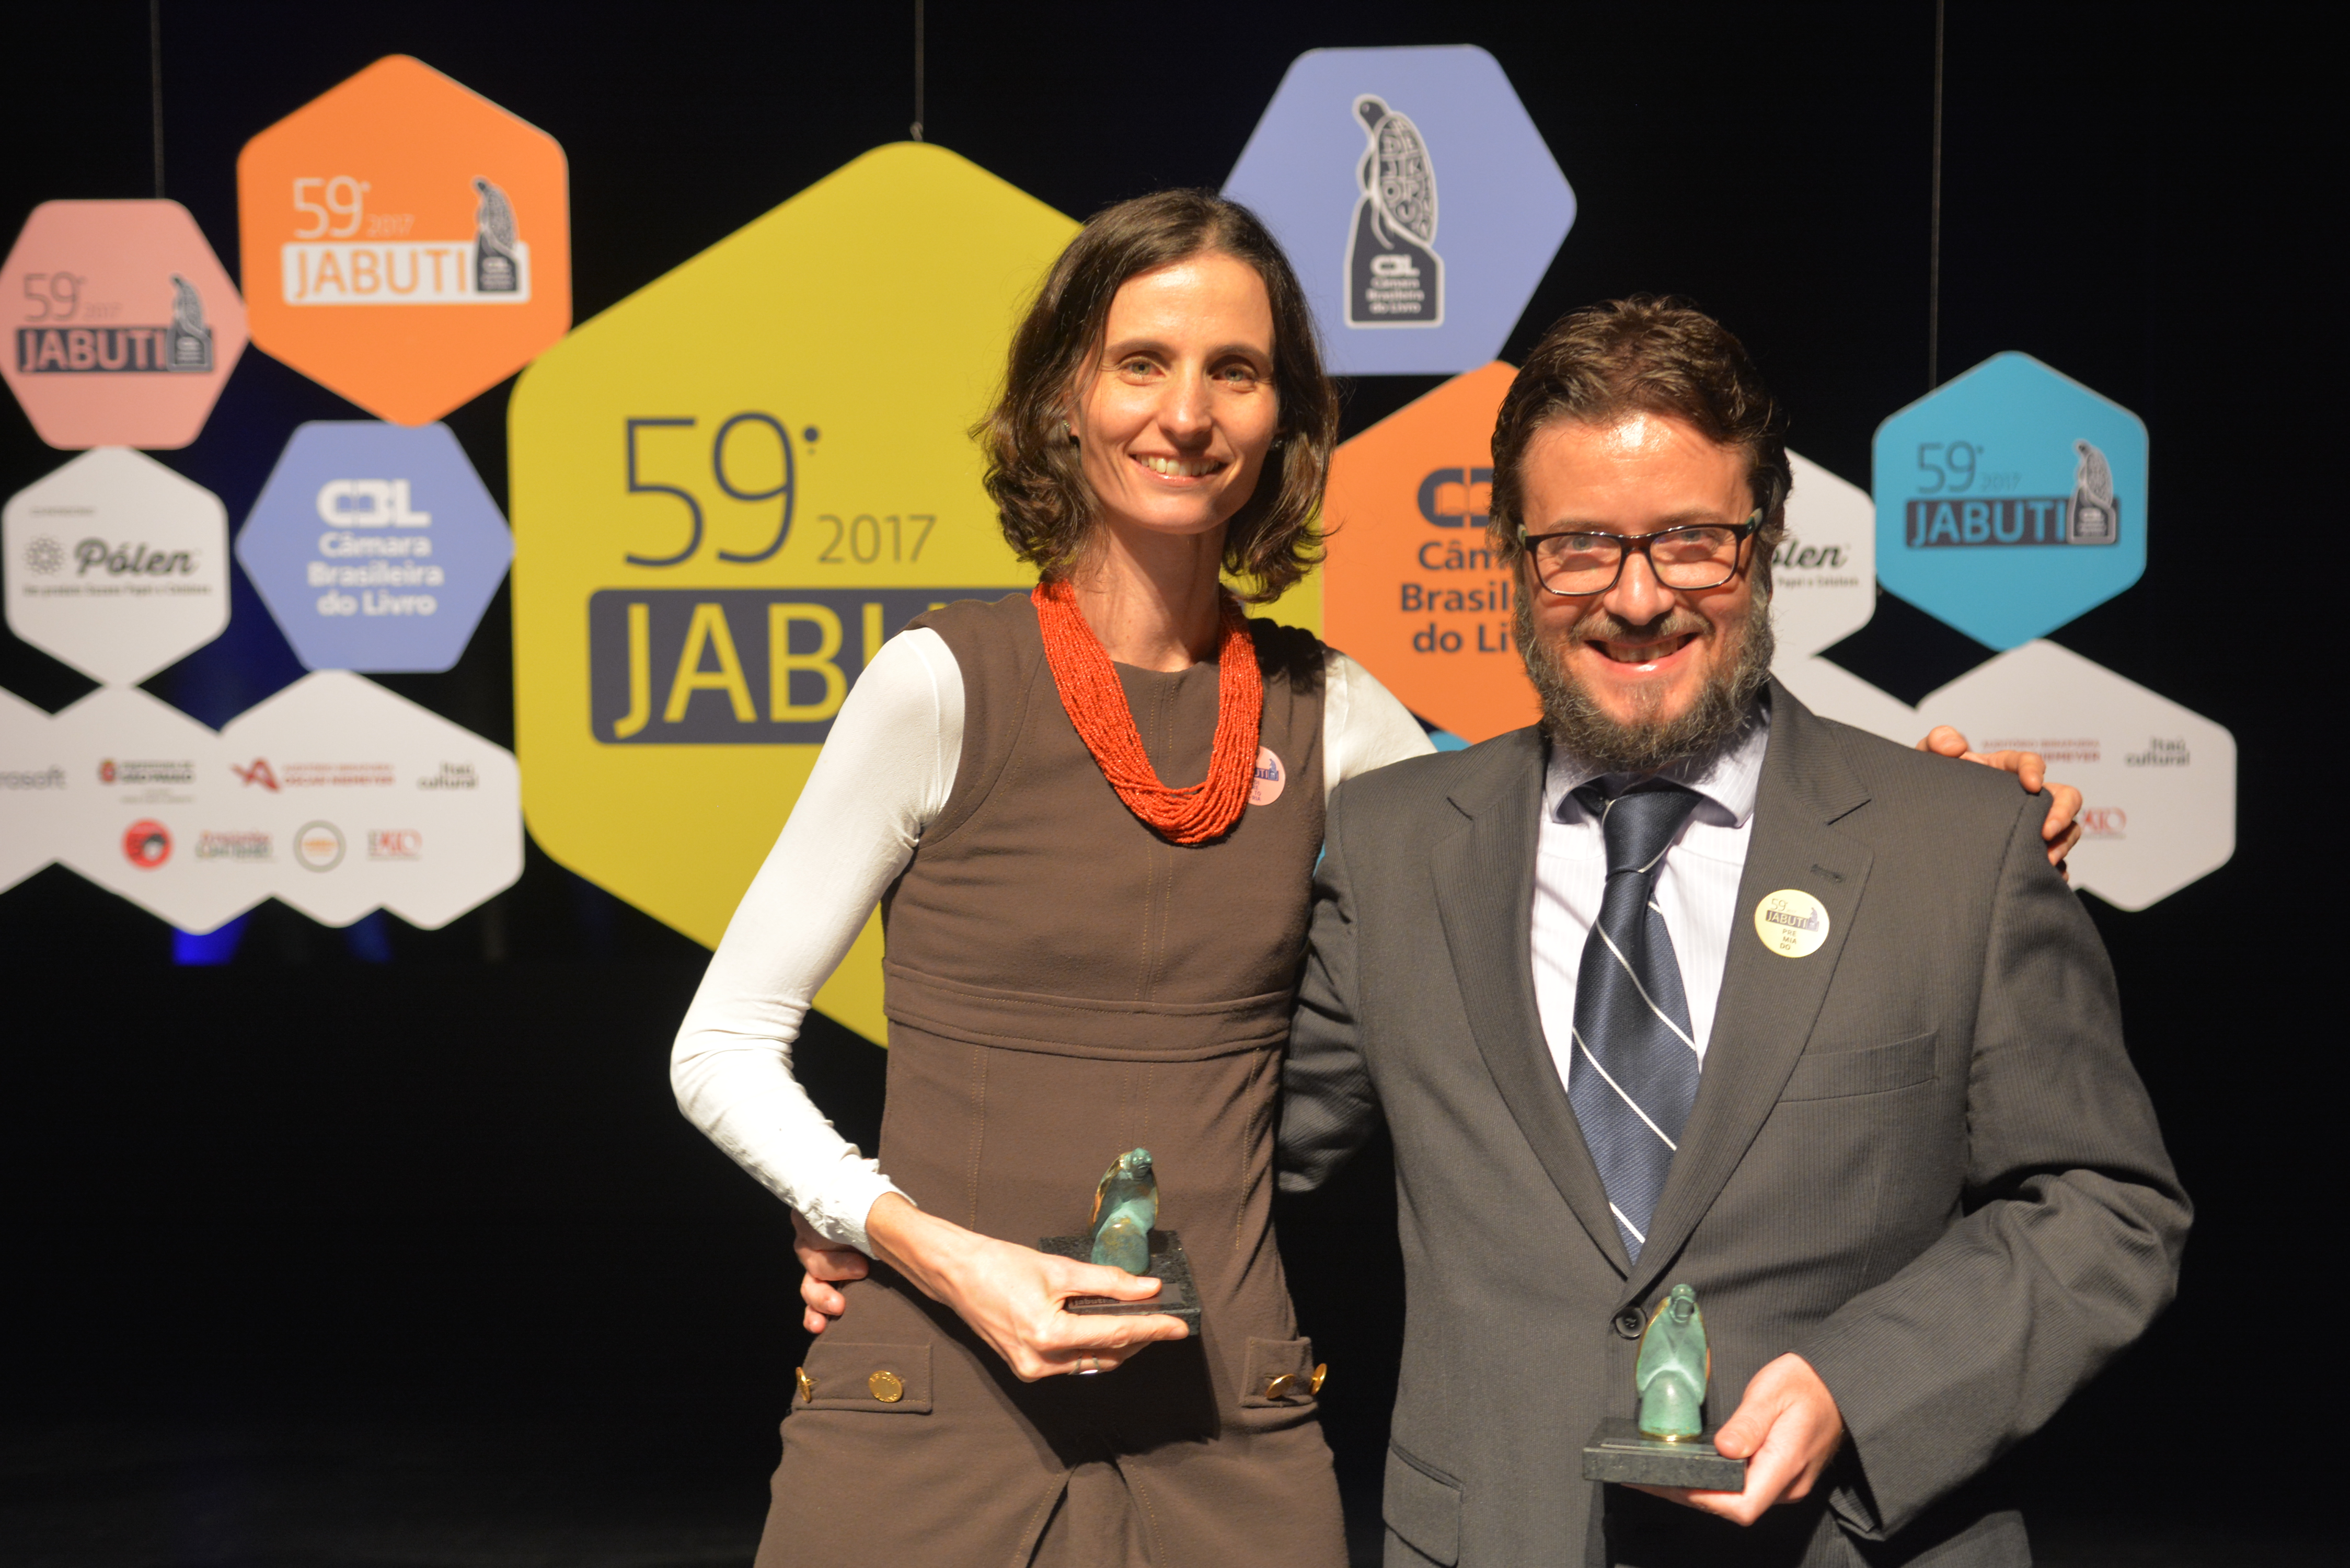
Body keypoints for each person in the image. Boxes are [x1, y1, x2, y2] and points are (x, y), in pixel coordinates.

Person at [1276, 297, 2189, 1568]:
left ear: (1764, 547)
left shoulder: (1956, 841)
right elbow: (1247, 1150)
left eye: (1691, 542)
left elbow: (2105, 1209)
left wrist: (1858, 1387)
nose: (1636, 597)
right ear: (1512, 557)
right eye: (1579, 545)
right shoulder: (1394, 843)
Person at [671, 190, 1432, 1567]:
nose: (1186, 413)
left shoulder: (1344, 715)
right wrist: (889, 1232)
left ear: (1284, 422)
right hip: (927, 1402)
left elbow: (1518, 961)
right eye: (1142, 362)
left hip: (1228, 1419)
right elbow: (719, 1047)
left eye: (1234, 371)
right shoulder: (940, 685)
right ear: (1066, 398)